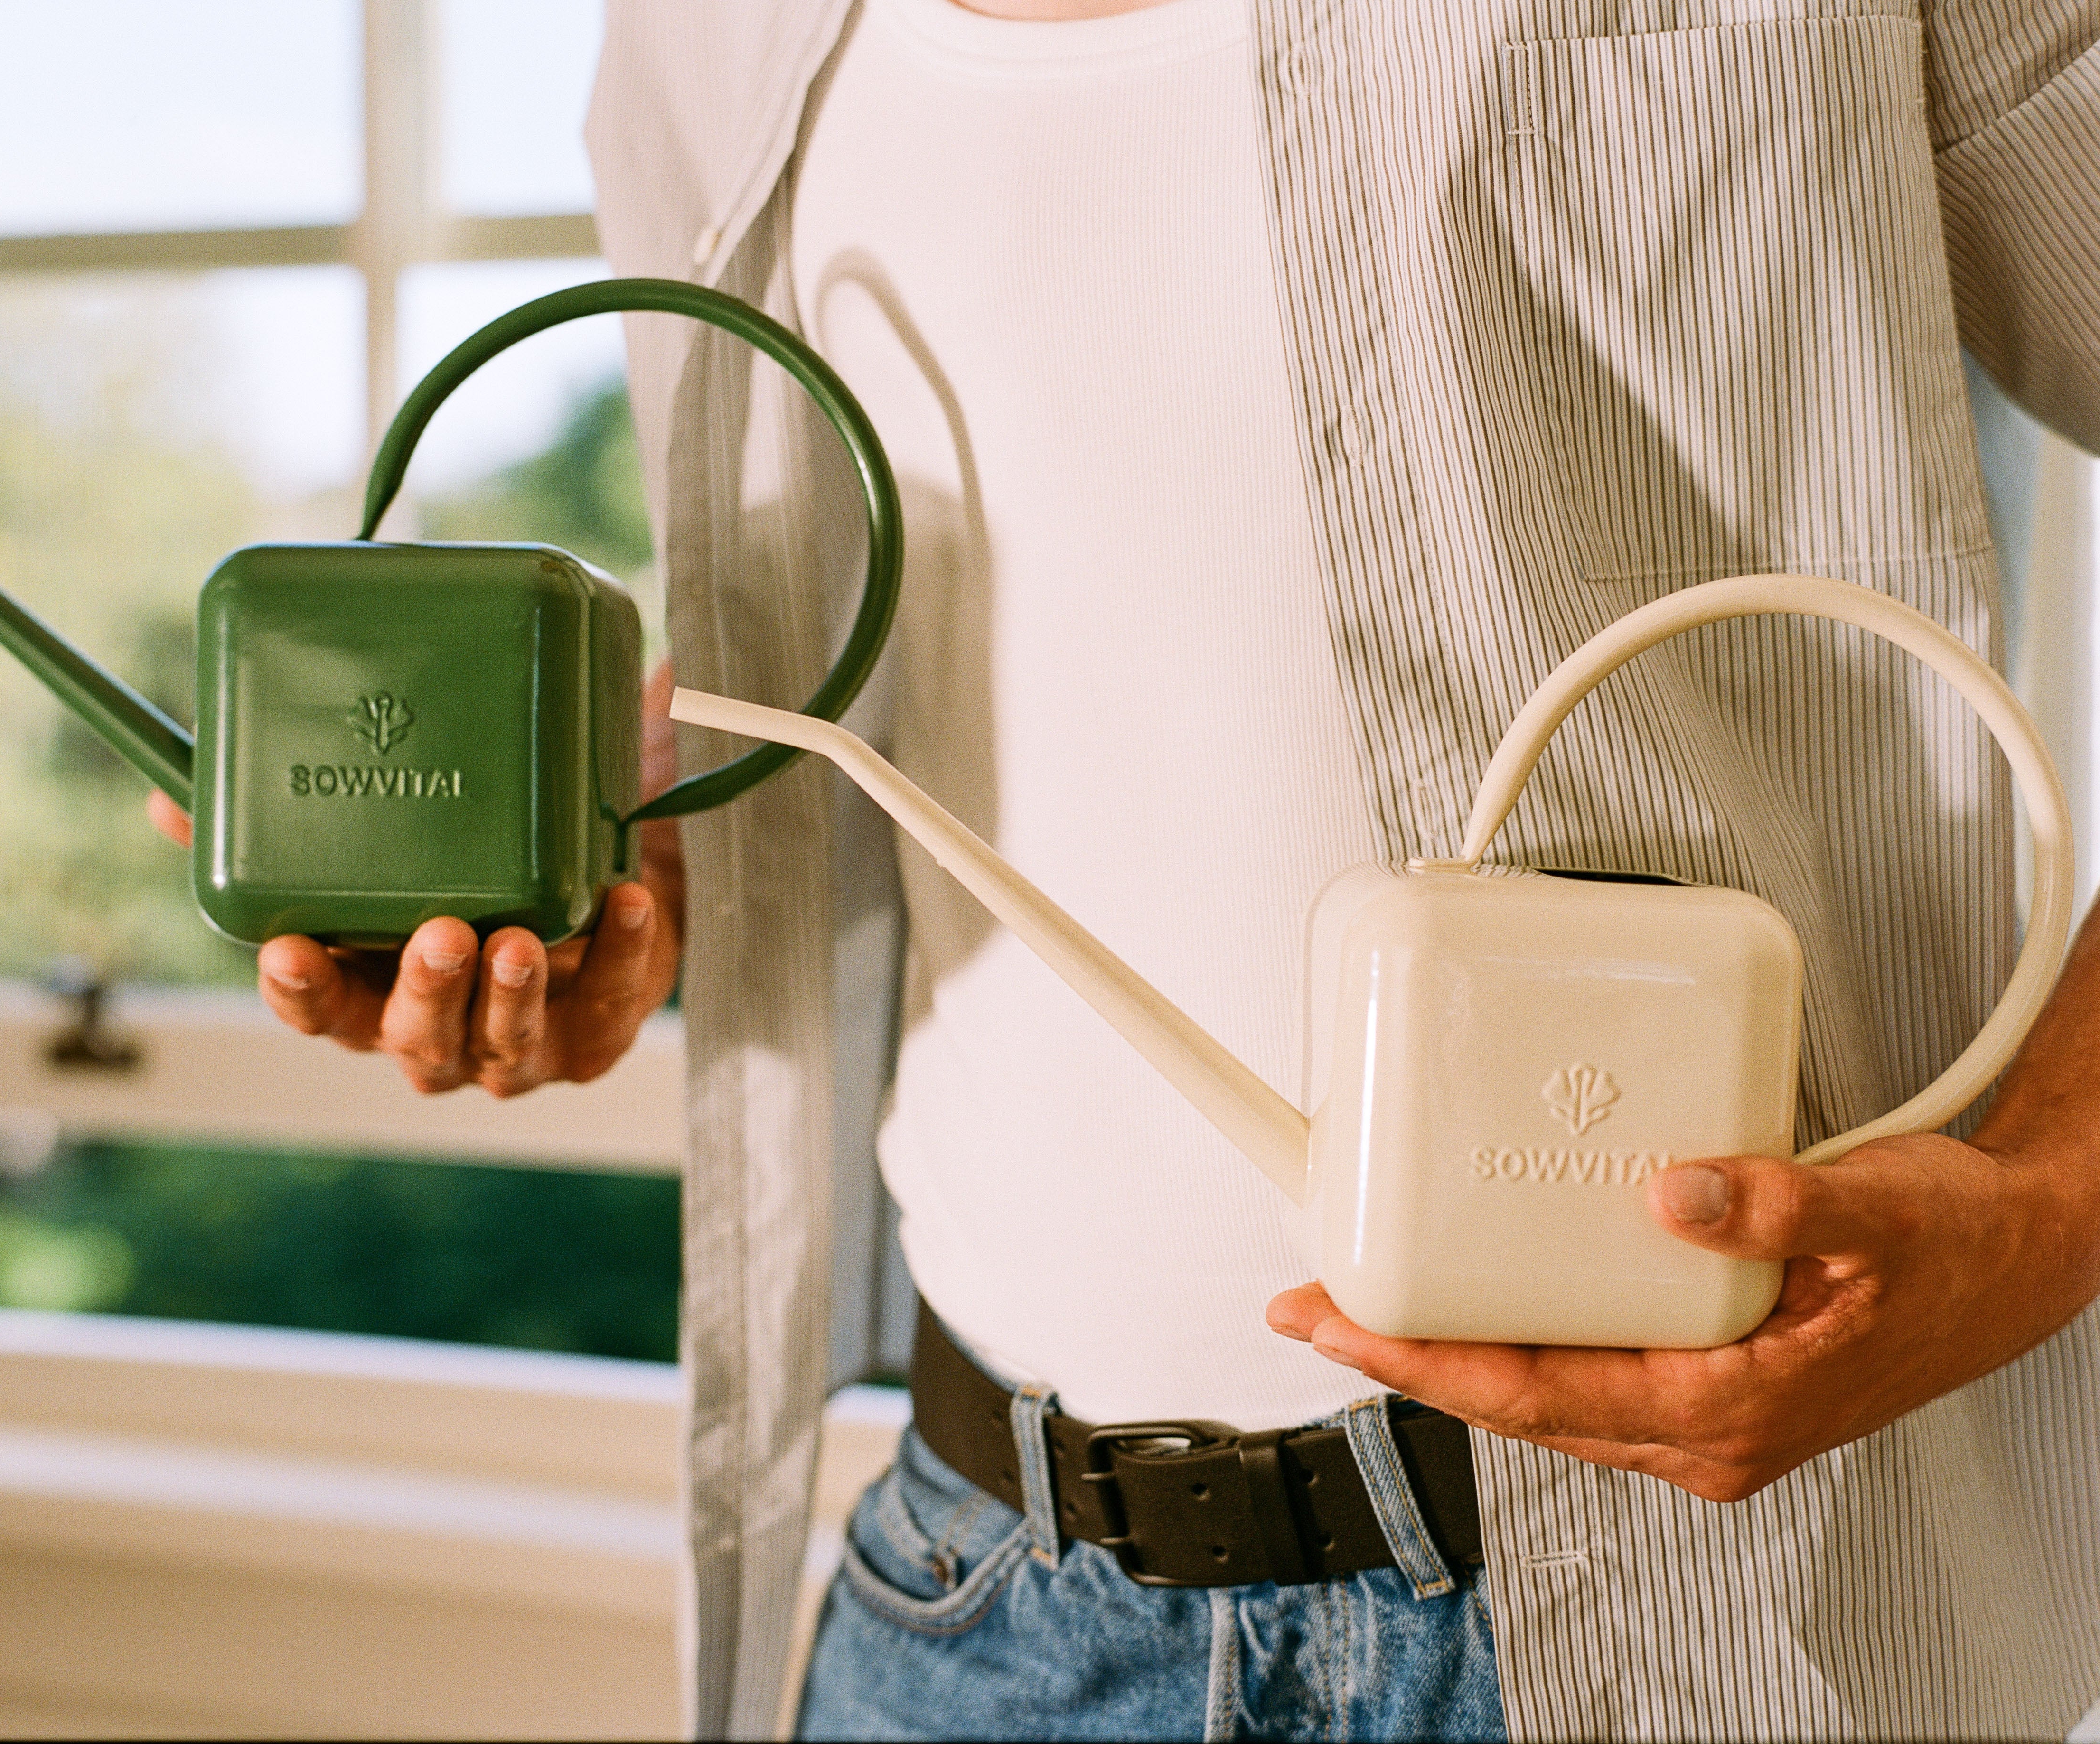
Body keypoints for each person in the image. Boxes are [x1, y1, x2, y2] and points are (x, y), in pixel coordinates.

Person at [159, 0, 2100, 1735]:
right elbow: (942, 720)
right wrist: (617, 901)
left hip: (1706, 1626)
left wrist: (2058, 1194)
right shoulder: (697, 44)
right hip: (977, 1606)